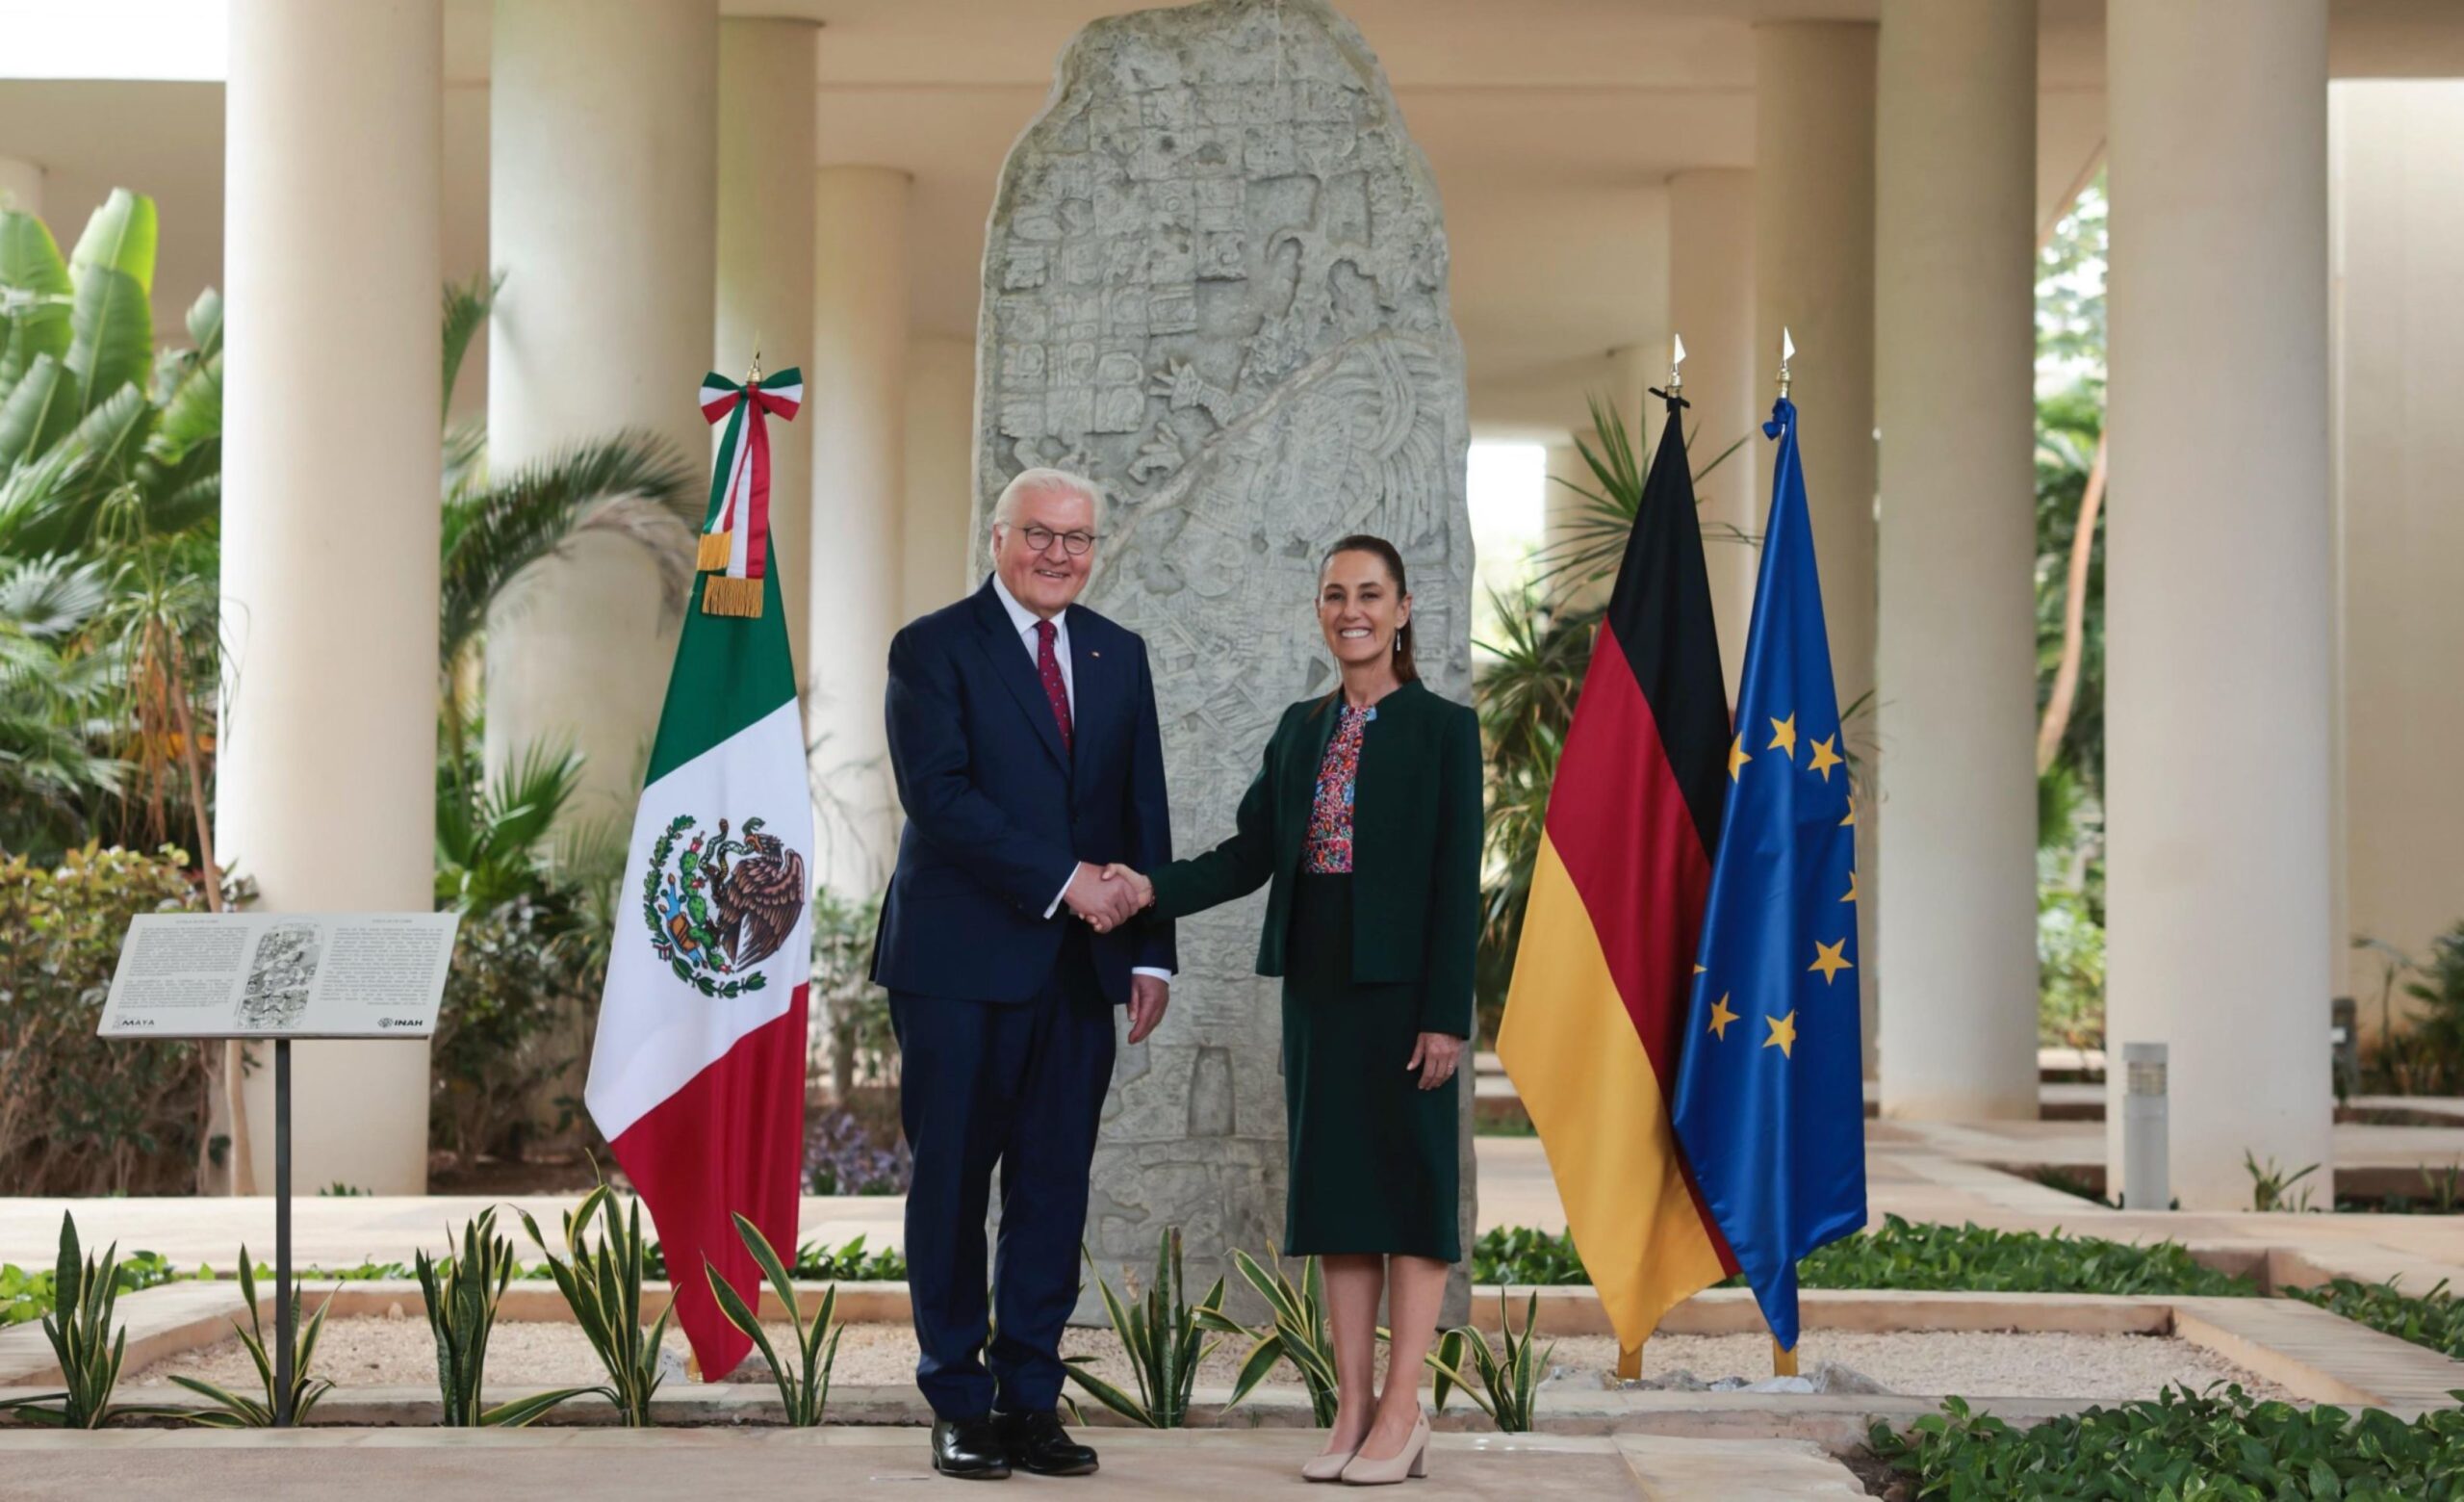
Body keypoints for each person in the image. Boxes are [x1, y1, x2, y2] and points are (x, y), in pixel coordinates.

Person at [1105, 534, 1478, 1487]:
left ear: (1400, 610)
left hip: (1405, 997)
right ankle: (1351, 1410)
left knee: (1413, 1193)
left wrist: (1445, 1015)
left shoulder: (1443, 730)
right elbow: (1246, 855)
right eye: (1332, 594)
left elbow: (1453, 882)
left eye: (1368, 593)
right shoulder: (1297, 729)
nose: (1349, 608)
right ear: (1320, 611)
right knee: (1342, 1198)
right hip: (1318, 987)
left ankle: (1405, 1410)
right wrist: (1147, 888)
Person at [872, 467, 1175, 1481]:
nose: (1059, 554)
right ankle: (957, 1401)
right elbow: (940, 799)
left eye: (1078, 539)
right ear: (997, 538)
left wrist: (1148, 949)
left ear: (1097, 549)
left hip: (1081, 972)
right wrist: (1064, 881)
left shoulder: (1117, 653)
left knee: (1052, 1190)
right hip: (957, 966)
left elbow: (1143, 808)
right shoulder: (931, 648)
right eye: (1039, 534)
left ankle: (1031, 1401)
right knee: (953, 1187)